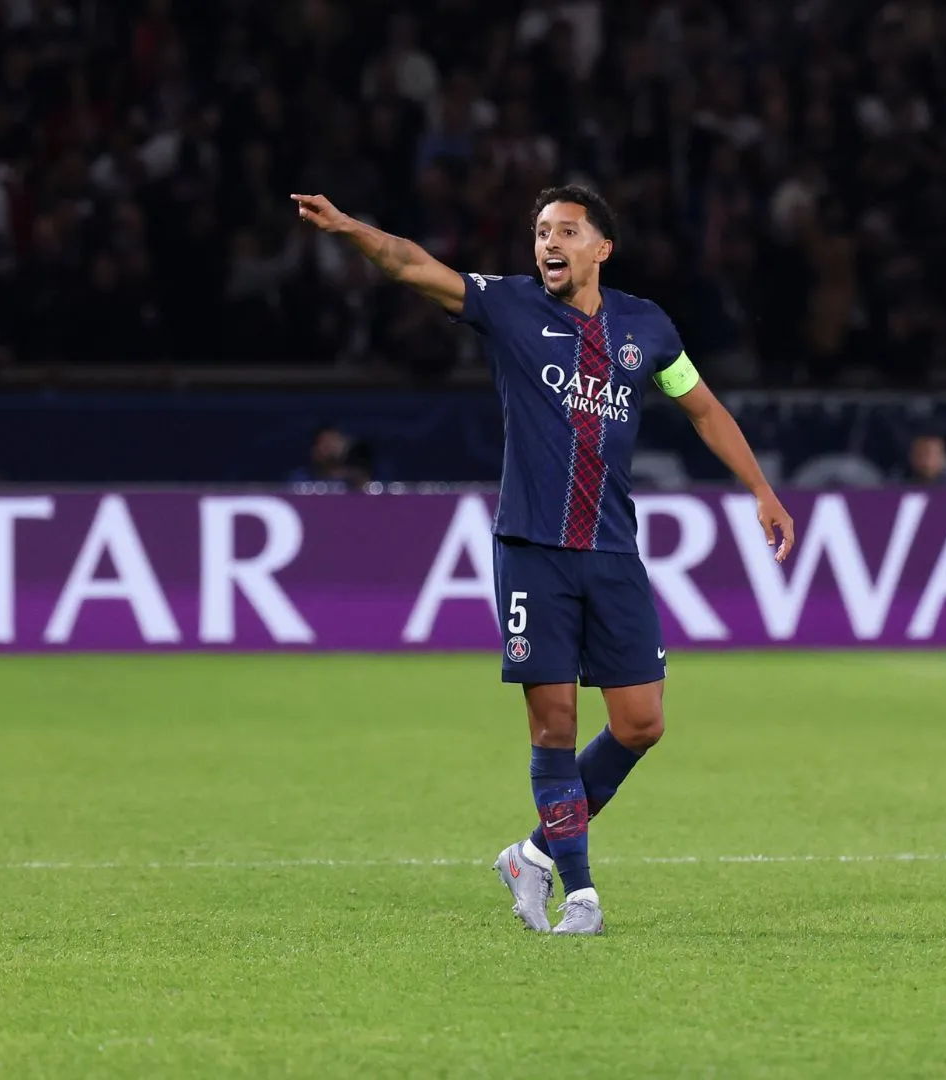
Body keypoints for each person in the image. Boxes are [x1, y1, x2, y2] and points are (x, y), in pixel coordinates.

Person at [293, 184, 795, 935]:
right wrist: (347, 227)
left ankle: (530, 854)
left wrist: (760, 488)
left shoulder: (645, 328)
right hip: (532, 549)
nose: (548, 243)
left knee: (641, 721)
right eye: (539, 232)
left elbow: (702, 407)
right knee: (554, 724)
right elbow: (408, 264)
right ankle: (581, 895)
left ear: (602, 247)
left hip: (613, 550)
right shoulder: (511, 308)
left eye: (565, 230)